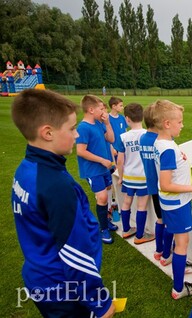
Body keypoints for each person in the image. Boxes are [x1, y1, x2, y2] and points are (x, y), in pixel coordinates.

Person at [11, 89, 115, 317]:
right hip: (62, 287)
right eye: (71, 128)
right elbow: (73, 255)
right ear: (48, 133)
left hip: (39, 275)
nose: (77, 135)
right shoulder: (56, 186)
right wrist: (101, 303)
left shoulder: (26, 169)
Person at [153, 100, 192, 299]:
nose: (182, 125)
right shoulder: (167, 149)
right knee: (182, 242)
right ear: (167, 123)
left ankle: (167, 257)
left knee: (175, 236)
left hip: (171, 203)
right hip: (177, 204)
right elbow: (166, 184)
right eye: (180, 122)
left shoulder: (161, 142)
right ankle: (178, 289)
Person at [76, 95, 117, 244]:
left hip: (104, 168)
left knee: (106, 193)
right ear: (91, 109)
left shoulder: (100, 123)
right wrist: (101, 160)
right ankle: (103, 229)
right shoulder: (83, 127)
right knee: (102, 198)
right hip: (93, 170)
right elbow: (80, 151)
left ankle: (106, 221)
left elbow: (111, 139)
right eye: (101, 108)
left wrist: (107, 123)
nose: (104, 111)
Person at [140, 103, 175, 261]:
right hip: (164, 187)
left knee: (160, 219)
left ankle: (158, 250)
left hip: (152, 186)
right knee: (168, 222)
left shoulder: (142, 138)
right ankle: (166, 254)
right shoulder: (162, 141)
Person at [116, 103, 155, 244]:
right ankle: (140, 236)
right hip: (143, 178)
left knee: (126, 202)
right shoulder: (149, 135)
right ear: (142, 117)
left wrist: (121, 177)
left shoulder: (123, 137)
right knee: (141, 206)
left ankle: (126, 229)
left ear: (127, 119)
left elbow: (120, 161)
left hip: (129, 176)